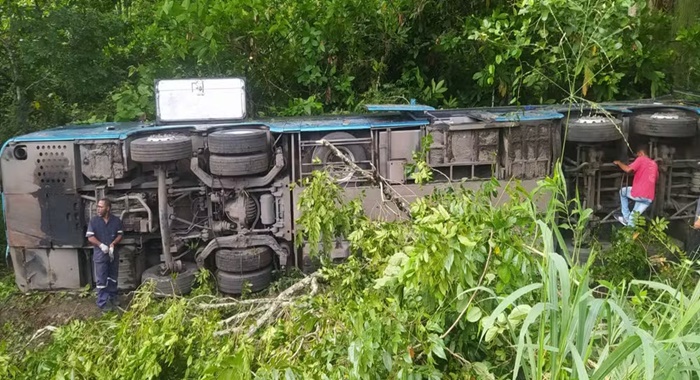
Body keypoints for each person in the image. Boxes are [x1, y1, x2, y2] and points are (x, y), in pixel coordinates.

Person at [86, 198, 124, 312]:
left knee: (113, 277)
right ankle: (102, 302)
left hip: (112, 254)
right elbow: (90, 237)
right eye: (98, 206)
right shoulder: (94, 221)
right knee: (101, 279)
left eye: (101, 207)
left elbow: (120, 234)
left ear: (108, 208)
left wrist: (113, 244)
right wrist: (101, 245)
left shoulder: (116, 221)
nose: (98, 209)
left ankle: (113, 297)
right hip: (100, 255)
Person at [613, 146, 658, 227]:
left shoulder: (641, 159)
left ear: (641, 153)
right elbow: (654, 178)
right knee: (633, 219)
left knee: (622, 192)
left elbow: (628, 169)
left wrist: (619, 163)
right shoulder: (654, 164)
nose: (637, 158)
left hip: (639, 193)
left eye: (637, 155)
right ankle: (629, 234)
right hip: (649, 198)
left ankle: (625, 217)